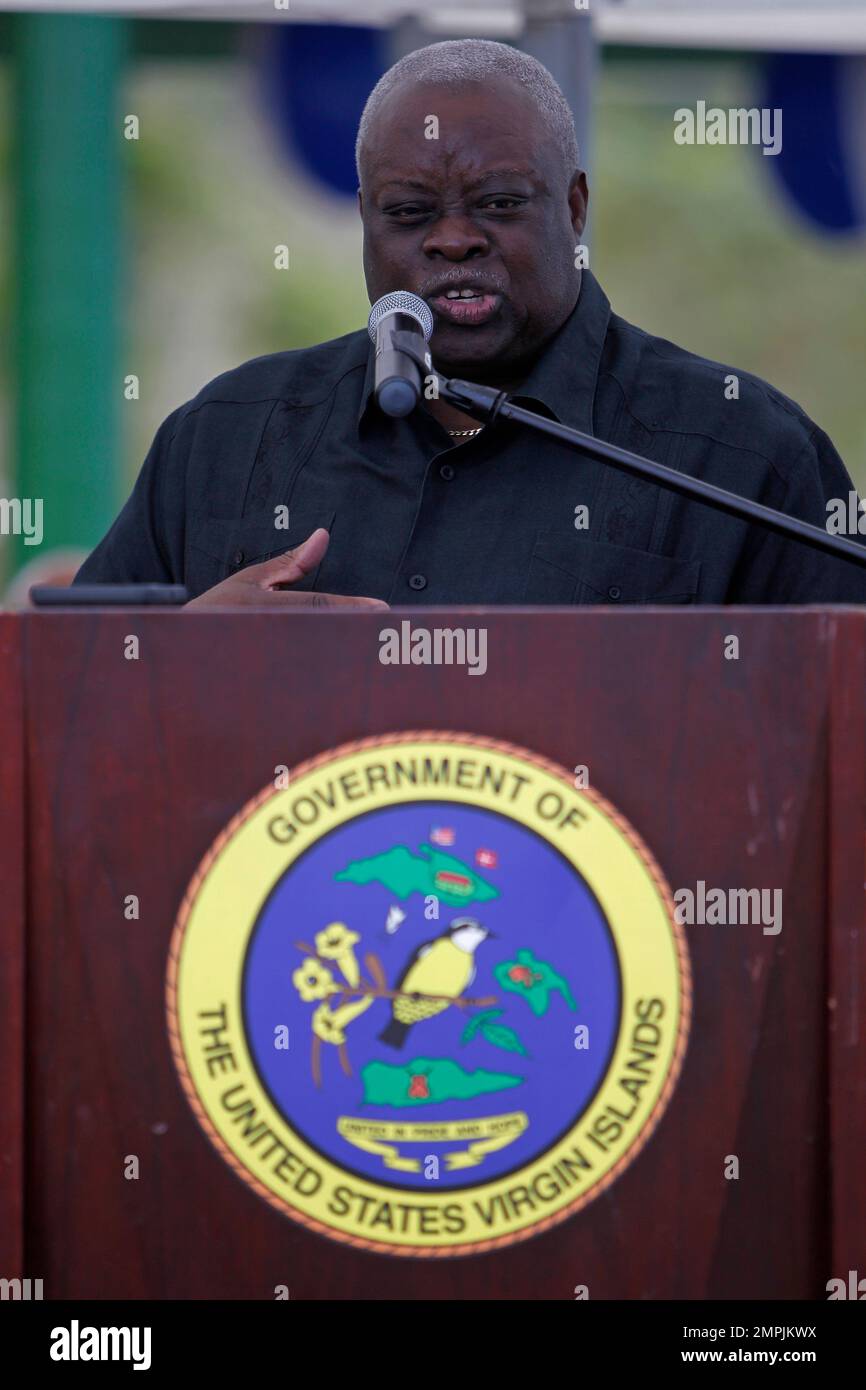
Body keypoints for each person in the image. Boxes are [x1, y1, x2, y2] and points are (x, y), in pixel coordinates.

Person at [74, 39, 866, 608]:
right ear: (365, 220)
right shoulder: (223, 438)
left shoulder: (740, 454)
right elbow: (72, 713)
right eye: (410, 212)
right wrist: (186, 655)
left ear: (575, 206)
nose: (453, 238)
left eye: (498, 204)